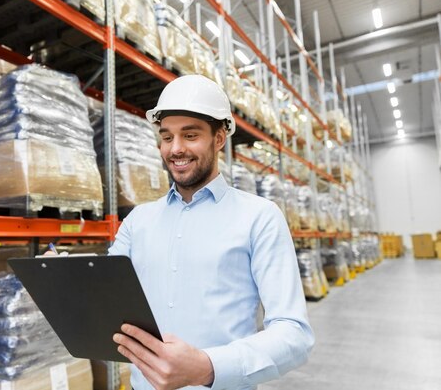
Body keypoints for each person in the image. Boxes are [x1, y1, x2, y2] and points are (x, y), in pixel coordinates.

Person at [108, 75, 314, 390]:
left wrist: (208, 367)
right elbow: (104, 290)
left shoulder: (259, 217)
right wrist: (60, 276)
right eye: (166, 137)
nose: (175, 149)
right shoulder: (138, 220)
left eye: (190, 135)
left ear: (219, 138)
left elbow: (294, 334)